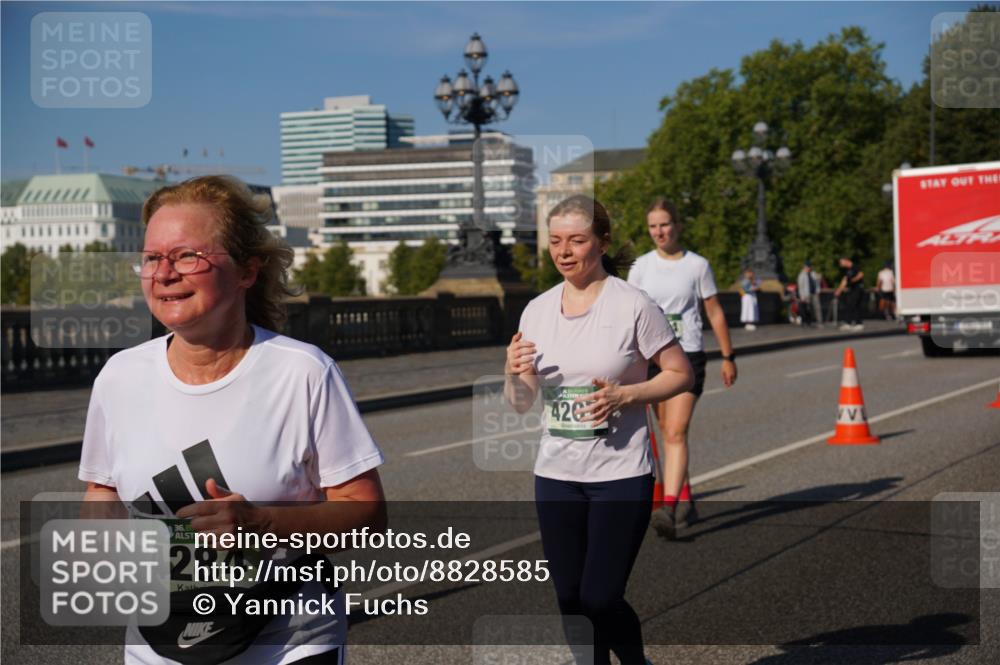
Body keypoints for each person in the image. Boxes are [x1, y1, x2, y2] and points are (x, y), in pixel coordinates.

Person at [79, 176, 386, 664]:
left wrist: (260, 522)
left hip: (288, 641)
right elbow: (102, 491)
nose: (164, 273)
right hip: (159, 642)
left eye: (187, 256)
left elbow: (367, 515)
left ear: (247, 271)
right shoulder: (120, 376)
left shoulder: (302, 371)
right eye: (153, 258)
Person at [505, 195, 694, 665]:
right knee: (569, 600)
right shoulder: (537, 311)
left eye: (577, 240)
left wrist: (624, 396)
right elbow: (522, 401)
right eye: (555, 242)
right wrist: (511, 372)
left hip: (621, 473)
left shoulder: (632, 304)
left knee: (600, 598)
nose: (564, 251)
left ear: (602, 242)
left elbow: (680, 373)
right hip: (556, 473)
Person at [626, 197, 737, 540]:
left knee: (675, 431)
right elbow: (627, 312)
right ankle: (686, 497)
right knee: (666, 432)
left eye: (664, 224)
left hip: (688, 355)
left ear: (677, 225)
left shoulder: (697, 265)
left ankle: (669, 507)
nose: (659, 231)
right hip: (652, 358)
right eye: (653, 226)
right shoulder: (641, 266)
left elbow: (714, 311)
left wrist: (728, 355)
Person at [834, 256, 866, 330]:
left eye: (841, 262)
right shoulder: (847, 270)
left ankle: (859, 323)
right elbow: (844, 281)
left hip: (858, 288)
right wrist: (839, 290)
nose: (840, 264)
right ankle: (848, 323)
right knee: (849, 305)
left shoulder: (855, 266)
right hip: (852, 289)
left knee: (854, 305)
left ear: (846, 260)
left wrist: (852, 281)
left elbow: (861, 274)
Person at [796, 260, 821, 327]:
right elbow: (800, 286)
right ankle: (807, 321)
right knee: (807, 309)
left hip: (814, 293)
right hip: (806, 294)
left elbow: (818, 280)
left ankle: (819, 321)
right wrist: (802, 296)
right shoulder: (801, 275)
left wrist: (819, 277)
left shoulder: (813, 273)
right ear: (804, 267)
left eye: (809, 267)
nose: (808, 268)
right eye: (807, 267)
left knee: (817, 307)